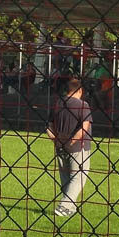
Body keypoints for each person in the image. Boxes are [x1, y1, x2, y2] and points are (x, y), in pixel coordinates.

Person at [45, 78, 92, 218]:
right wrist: (73, 140)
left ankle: (70, 208)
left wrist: (55, 139)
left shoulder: (58, 103)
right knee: (79, 176)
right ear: (80, 90)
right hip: (78, 146)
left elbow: (49, 126)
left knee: (66, 177)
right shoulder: (83, 105)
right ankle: (64, 206)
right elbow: (85, 127)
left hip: (60, 144)